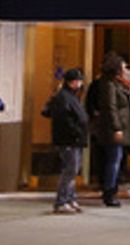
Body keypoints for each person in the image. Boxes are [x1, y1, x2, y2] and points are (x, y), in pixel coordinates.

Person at [89, 51, 130, 208]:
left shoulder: (117, 83)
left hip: (118, 127)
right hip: (112, 129)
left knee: (116, 159)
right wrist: (116, 128)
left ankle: (111, 189)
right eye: (122, 67)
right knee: (113, 160)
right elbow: (111, 107)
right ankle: (109, 192)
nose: (124, 69)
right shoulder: (108, 85)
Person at [42, 68, 88, 214]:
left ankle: (70, 198)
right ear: (70, 82)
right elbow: (65, 120)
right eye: (77, 81)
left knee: (73, 170)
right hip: (68, 139)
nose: (79, 84)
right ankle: (61, 201)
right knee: (70, 169)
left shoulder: (71, 96)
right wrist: (76, 131)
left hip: (74, 139)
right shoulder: (64, 98)